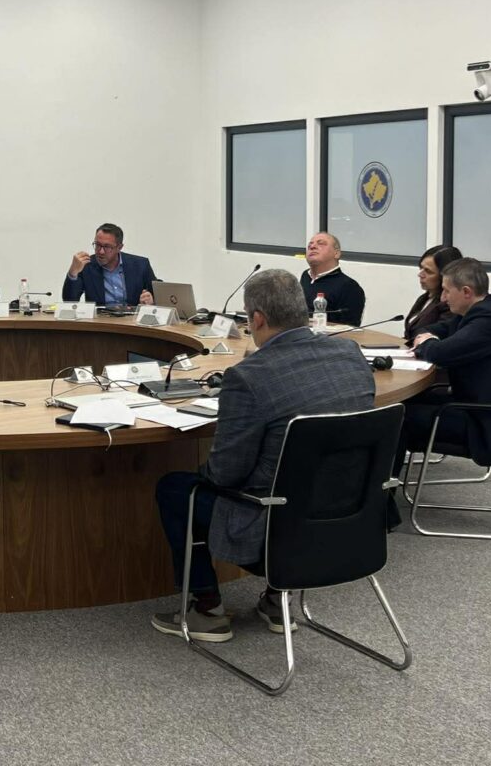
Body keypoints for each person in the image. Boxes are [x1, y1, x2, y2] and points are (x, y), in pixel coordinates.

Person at [153, 269, 374, 642]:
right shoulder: (350, 355)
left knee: (176, 489)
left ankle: (206, 609)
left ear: (256, 319)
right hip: (352, 518)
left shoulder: (248, 377)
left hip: (275, 531)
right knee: (296, 477)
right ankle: (275, 600)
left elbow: (225, 475)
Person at [394, 258, 491, 521]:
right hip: (474, 407)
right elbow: (433, 329)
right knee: (403, 404)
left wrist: (426, 343)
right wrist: (426, 336)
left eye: (447, 291)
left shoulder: (489, 320)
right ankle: (382, 492)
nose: (442, 299)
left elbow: (441, 354)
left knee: (395, 417)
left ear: (466, 292)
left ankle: (382, 502)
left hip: (487, 423)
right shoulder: (480, 310)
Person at [62, 223, 156, 306]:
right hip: (100, 319)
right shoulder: (86, 266)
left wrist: (152, 300)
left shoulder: (140, 265)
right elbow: (69, 301)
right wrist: (73, 272)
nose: (101, 251)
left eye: (107, 247)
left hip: (132, 318)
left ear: (119, 247)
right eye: (98, 245)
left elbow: (157, 293)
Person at [300, 232, 364, 326]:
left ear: (336, 253)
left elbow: (349, 329)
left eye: (321, 243)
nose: (312, 247)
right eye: (310, 245)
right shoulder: (305, 276)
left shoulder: (349, 286)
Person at [404, 244, 462, 344]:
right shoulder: (424, 299)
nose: (420, 274)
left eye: (428, 271)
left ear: (444, 276)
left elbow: (439, 335)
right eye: (421, 268)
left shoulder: (450, 305)